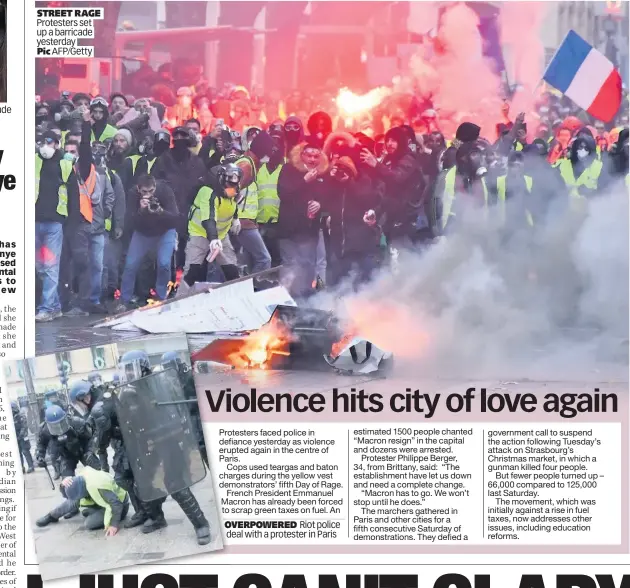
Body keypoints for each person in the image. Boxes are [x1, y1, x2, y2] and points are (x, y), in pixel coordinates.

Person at [35, 107, 92, 322]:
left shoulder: (66, 164)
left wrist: (71, 225)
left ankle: (47, 308)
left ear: (57, 145)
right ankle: (54, 305)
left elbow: (74, 197)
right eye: (43, 142)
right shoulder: (32, 161)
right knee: (39, 267)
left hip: (54, 224)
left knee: (49, 266)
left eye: (50, 143)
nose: (46, 147)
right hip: (34, 221)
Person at [277, 138, 329, 299]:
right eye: (309, 156)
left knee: (310, 264)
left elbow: (330, 197)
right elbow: (283, 193)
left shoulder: (323, 173)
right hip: (289, 228)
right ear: (302, 156)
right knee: (290, 265)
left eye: (316, 156)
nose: (312, 160)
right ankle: (284, 298)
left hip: (311, 229)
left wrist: (320, 204)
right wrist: (304, 181)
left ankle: (311, 298)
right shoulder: (289, 169)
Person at [117, 174, 180, 309]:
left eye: (151, 191)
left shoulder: (165, 190)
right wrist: (141, 211)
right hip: (143, 233)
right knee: (130, 265)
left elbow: (176, 218)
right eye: (144, 192)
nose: (148, 194)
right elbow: (129, 222)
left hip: (165, 231)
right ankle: (124, 299)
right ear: (138, 189)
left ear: (155, 187)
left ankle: (161, 297)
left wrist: (161, 211)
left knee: (164, 263)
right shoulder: (133, 194)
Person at [152, 126, 207, 270]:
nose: (180, 139)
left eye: (183, 136)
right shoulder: (163, 160)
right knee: (167, 256)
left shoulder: (197, 162)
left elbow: (204, 186)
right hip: (168, 213)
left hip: (191, 213)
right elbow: (155, 185)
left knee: (189, 254)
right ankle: (168, 287)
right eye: (176, 136)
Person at [359, 125, 422, 250]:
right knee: (389, 254)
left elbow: (397, 177)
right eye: (387, 140)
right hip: (389, 215)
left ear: (401, 142)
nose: (389, 144)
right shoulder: (388, 159)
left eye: (393, 141)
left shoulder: (408, 159)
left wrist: (376, 165)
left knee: (403, 254)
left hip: (406, 216)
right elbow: (381, 186)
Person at [325, 155, 380, 288]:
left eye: (346, 169)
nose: (341, 173)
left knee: (364, 281)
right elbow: (323, 196)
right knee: (339, 281)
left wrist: (349, 182)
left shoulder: (363, 180)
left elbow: (368, 199)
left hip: (361, 241)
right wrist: (330, 177)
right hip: (339, 242)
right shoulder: (333, 184)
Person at [184, 163, 242, 287]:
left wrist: (236, 218)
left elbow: (232, 205)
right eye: (229, 185)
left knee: (232, 271)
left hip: (222, 236)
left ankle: (237, 299)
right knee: (191, 273)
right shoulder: (208, 192)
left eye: (234, 185)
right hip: (199, 233)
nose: (232, 188)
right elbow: (208, 218)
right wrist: (213, 238)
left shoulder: (234, 190)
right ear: (222, 180)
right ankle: (180, 299)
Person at [554, 133, 603, 212]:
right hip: (565, 210)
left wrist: (590, 192)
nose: (582, 150)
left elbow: (604, 192)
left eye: (586, 148)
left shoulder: (598, 167)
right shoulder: (562, 165)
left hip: (589, 211)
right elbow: (553, 185)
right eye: (580, 147)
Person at [11, 401, 34, 474]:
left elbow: (24, 427)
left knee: (25, 451)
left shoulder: (21, 415)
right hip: (15, 438)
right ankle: (21, 467)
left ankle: (31, 466)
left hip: (23, 437)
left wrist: (20, 436)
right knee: (18, 453)